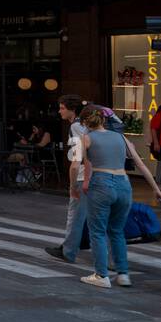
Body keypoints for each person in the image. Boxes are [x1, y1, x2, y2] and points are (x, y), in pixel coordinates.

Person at [77, 104, 161, 288]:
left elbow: (79, 165)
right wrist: (156, 188)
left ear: (86, 122)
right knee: (117, 231)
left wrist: (74, 186)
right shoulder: (120, 137)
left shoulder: (85, 138)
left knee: (98, 231)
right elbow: (140, 165)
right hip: (124, 184)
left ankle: (101, 275)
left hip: (101, 183)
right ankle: (123, 274)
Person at [46, 95, 89, 263]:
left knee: (75, 215)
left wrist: (72, 185)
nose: (59, 111)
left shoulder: (76, 126)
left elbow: (77, 158)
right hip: (96, 176)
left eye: (62, 108)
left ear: (72, 109)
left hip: (82, 175)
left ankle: (68, 251)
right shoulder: (85, 125)